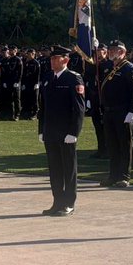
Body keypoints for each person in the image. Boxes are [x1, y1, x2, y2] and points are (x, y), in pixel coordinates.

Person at [38, 45, 86, 215]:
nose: (52, 61)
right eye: (51, 58)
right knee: (55, 169)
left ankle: (69, 203)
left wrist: (74, 132)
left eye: (55, 58)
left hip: (66, 133)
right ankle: (57, 202)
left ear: (65, 60)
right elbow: (43, 107)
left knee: (68, 169)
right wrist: (41, 130)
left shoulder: (74, 79)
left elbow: (79, 109)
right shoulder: (47, 77)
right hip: (51, 131)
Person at [99, 40, 133, 188]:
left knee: (124, 144)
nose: (110, 52)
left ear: (122, 52)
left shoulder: (129, 69)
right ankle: (113, 175)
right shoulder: (108, 68)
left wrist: (132, 111)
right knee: (112, 144)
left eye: (114, 50)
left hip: (123, 111)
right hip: (109, 111)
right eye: (110, 50)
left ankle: (124, 176)